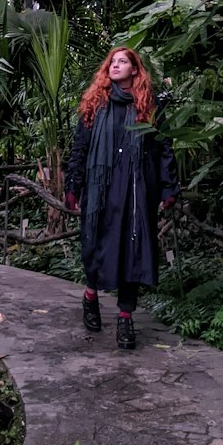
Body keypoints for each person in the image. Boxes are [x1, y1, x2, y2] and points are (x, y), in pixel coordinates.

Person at [64, 47, 179, 349]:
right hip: (100, 190)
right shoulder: (96, 104)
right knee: (95, 247)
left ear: (134, 69)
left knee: (133, 251)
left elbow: (163, 147)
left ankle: (125, 317)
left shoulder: (149, 106)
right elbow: (80, 147)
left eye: (122, 62)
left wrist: (168, 188)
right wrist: (73, 186)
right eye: (112, 62)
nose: (115, 66)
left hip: (136, 192)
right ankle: (91, 295)